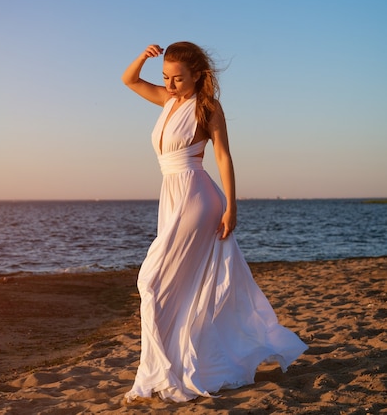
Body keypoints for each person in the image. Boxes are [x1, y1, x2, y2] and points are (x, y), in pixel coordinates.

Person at [122, 42, 307, 403]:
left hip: (198, 198)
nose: (171, 85)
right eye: (165, 78)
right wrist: (144, 58)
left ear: (197, 76)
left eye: (178, 79)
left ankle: (168, 368)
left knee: (152, 279)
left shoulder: (206, 107)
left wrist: (231, 207)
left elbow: (223, 155)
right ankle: (178, 364)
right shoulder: (168, 101)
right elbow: (129, 80)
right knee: (180, 285)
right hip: (171, 196)